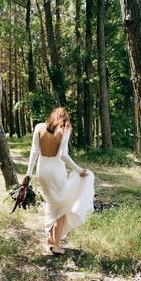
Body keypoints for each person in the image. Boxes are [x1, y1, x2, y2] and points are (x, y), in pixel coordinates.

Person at [25, 107, 95, 255]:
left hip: (42, 170)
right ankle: (57, 246)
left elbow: (34, 151)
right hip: (56, 170)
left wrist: (28, 173)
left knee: (52, 203)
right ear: (63, 118)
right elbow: (63, 154)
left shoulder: (39, 127)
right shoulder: (65, 129)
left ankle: (50, 238)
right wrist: (78, 169)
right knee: (62, 206)